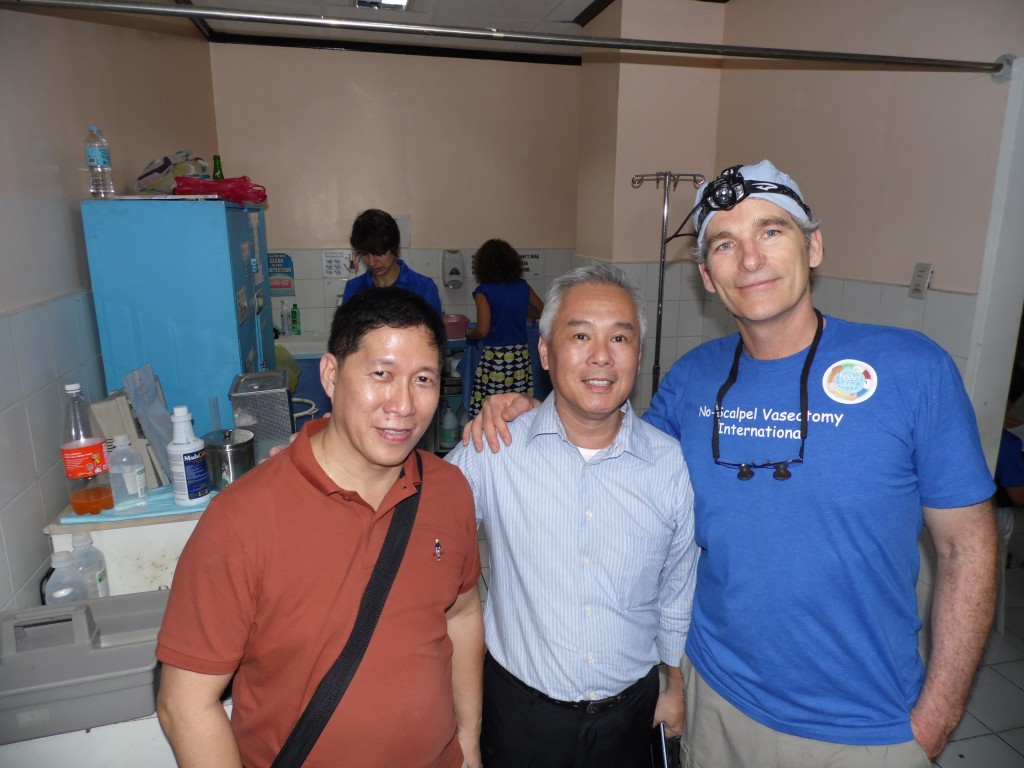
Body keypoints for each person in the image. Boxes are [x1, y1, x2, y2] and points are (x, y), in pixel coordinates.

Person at [468, 161, 998, 768]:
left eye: (771, 232)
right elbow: (610, 450)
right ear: (707, 277)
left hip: (865, 723)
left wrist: (937, 718)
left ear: (814, 245)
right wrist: (529, 411)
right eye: (726, 243)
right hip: (712, 703)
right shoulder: (692, 380)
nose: (750, 259)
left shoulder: (911, 370)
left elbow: (968, 549)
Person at [156, 288, 484, 768]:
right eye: (381, 375)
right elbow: (184, 704)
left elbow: (462, 612)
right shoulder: (243, 519)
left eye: (423, 380)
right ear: (331, 375)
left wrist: (470, 743)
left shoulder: (450, 489)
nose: (403, 404)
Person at [446, 262, 699, 767]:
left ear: (639, 354)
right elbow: (418, 517)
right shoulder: (494, 449)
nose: (601, 357)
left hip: (629, 713)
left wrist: (672, 682)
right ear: (545, 351)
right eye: (580, 335)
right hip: (519, 713)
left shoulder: (668, 462)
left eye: (620, 339)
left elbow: (676, 587)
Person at [465, 238, 544, 416]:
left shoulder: (484, 291)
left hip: (496, 359)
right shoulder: (522, 286)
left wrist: (471, 333)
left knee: (493, 409)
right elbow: (542, 311)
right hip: (520, 358)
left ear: (483, 265)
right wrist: (521, 314)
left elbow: (483, 329)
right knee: (519, 407)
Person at [342, 208, 443, 316]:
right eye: (365, 254)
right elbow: (346, 332)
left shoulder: (423, 288)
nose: (371, 262)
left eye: (378, 253)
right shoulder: (353, 289)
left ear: (394, 248)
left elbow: (434, 332)